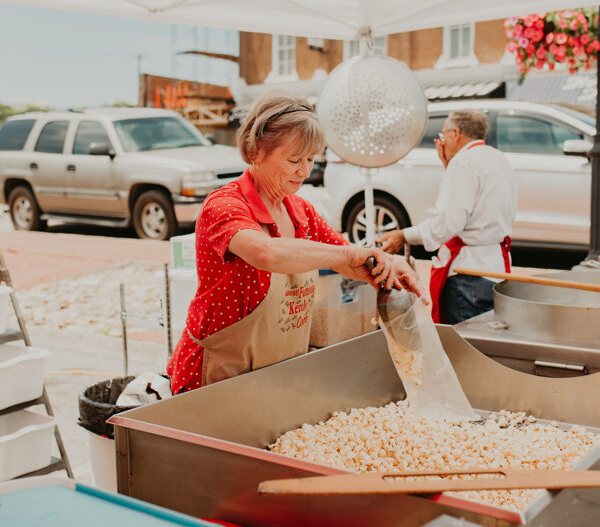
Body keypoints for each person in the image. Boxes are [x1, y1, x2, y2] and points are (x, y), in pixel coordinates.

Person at [167, 92, 425, 393]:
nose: (304, 171)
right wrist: (350, 254)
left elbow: (348, 259)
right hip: (216, 379)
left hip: (277, 377)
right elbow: (265, 252)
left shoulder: (300, 211)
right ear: (256, 151)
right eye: (294, 160)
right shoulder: (224, 206)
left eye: (310, 159)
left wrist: (388, 265)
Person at [379, 109, 517, 325]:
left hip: (468, 272)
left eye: (443, 135)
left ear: (455, 133)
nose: (442, 141)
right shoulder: (499, 158)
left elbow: (448, 224)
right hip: (496, 270)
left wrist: (404, 235)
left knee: (463, 343)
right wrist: (448, 167)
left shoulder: (463, 162)